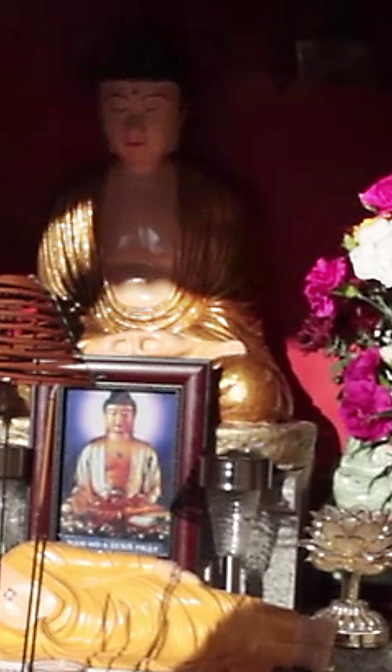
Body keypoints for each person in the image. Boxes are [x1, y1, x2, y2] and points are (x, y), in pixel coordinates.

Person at [36, 26, 294, 424]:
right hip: (100, 348)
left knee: (252, 393)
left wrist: (173, 345)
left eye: (152, 110)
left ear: (180, 116)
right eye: (119, 111)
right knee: (15, 385)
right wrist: (107, 343)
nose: (134, 128)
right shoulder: (75, 207)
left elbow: (232, 310)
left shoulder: (213, 204)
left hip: (188, 343)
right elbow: (54, 311)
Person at [0, 530, 334, 672]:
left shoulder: (26, 555)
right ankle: (298, 652)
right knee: (216, 649)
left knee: (223, 613)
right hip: (120, 650)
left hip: (136, 605)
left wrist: (159, 571)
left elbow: (101, 563)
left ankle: (307, 633)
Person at [62, 390, 166, 535]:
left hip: (133, 509)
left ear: (134, 417)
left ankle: (116, 519)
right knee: (68, 508)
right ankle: (112, 518)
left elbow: (153, 488)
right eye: (113, 413)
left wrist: (134, 504)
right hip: (98, 506)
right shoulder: (92, 449)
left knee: (158, 515)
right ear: (105, 416)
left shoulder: (145, 450)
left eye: (125, 414)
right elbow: (83, 486)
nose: (119, 419)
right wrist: (94, 501)